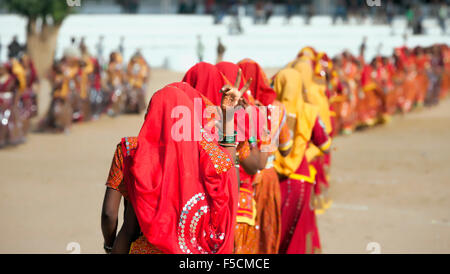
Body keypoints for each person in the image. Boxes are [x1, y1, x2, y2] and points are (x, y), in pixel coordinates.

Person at [112, 76, 249, 254]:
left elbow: (128, 227)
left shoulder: (139, 162)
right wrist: (228, 115)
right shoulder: (205, 154)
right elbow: (227, 169)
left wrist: (109, 246)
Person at [238, 58, 293, 254]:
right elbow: (286, 148)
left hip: (244, 179)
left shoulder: (239, 107)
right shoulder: (277, 108)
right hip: (268, 177)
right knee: (266, 234)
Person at [273, 68, 330, 254]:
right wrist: (303, 154)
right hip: (302, 180)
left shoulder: (271, 111)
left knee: (275, 236)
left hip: (276, 181)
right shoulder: (310, 111)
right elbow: (325, 144)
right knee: (298, 236)